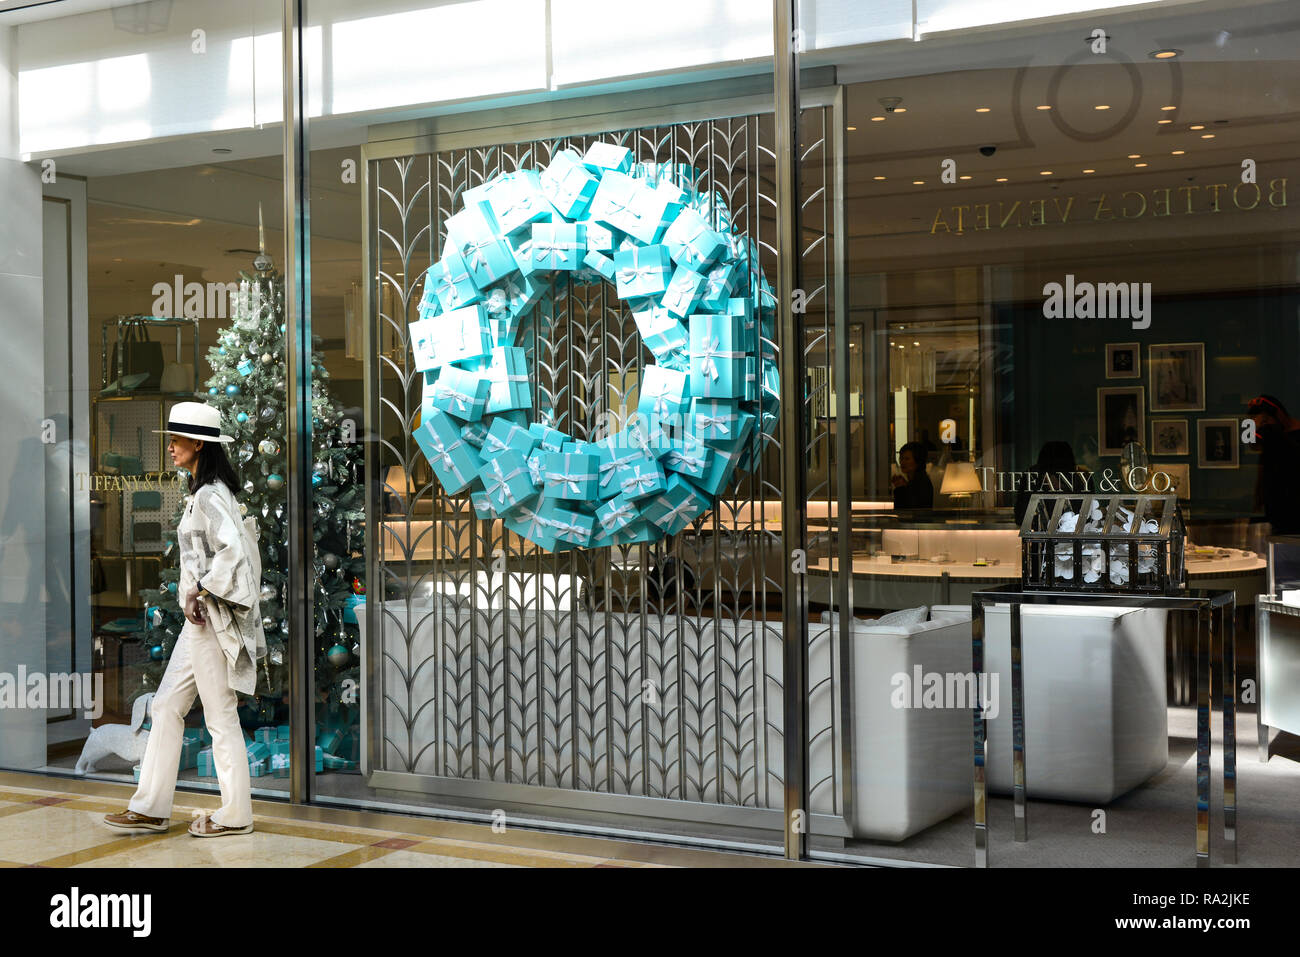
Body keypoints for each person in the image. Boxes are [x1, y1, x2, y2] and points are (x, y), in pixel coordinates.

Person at [104, 402, 266, 837]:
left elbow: (232, 550)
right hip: (201, 625)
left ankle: (234, 815)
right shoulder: (206, 492)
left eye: (175, 440)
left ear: (198, 444)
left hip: (210, 622)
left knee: (219, 716)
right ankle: (151, 807)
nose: (170, 447)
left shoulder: (210, 494)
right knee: (166, 706)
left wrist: (203, 590)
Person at [1247, 394, 1300, 535]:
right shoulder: (1271, 436)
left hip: (1292, 514)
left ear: (1277, 416)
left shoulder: (1287, 437)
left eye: (1266, 419)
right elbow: (1251, 443)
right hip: (1272, 511)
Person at [1015, 441, 1078, 526]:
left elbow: (1020, 517)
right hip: (1075, 535)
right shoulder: (1079, 477)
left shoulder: (1031, 476)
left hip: (1039, 536)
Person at [892, 441, 934, 509]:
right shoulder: (913, 481)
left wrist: (901, 488)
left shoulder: (922, 483)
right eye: (901, 458)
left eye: (907, 459)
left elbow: (910, 509)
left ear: (918, 461)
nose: (902, 462)